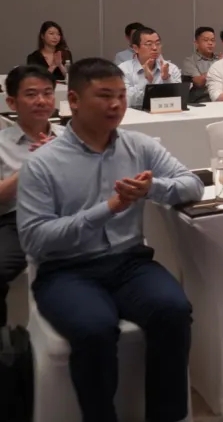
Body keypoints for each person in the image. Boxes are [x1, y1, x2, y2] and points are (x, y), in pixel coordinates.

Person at [17, 58, 203, 422]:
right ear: (73, 100)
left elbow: (192, 184)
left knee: (174, 311)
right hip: (65, 270)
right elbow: (35, 240)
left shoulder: (139, 146)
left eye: (120, 95)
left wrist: (152, 188)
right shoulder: (43, 163)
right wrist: (108, 209)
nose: (116, 105)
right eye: (104, 96)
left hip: (129, 263)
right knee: (94, 328)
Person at [0, 66, 64, 325]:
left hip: (68, 214)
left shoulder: (69, 138)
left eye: (47, 93)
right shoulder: (2, 143)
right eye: (31, 94)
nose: (41, 100)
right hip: (18, 220)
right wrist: (32, 165)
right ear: (11, 102)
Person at [119, 27, 181, 107]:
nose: (155, 48)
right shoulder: (123, 69)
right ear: (136, 48)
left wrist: (166, 79)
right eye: (149, 44)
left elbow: (178, 100)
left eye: (157, 43)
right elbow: (127, 101)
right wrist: (146, 80)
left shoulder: (171, 68)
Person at [181, 26, 218, 104]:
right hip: (200, 101)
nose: (210, 43)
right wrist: (219, 68)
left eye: (212, 40)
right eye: (206, 40)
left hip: (220, 99)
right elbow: (199, 82)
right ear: (196, 43)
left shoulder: (219, 59)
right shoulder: (189, 61)